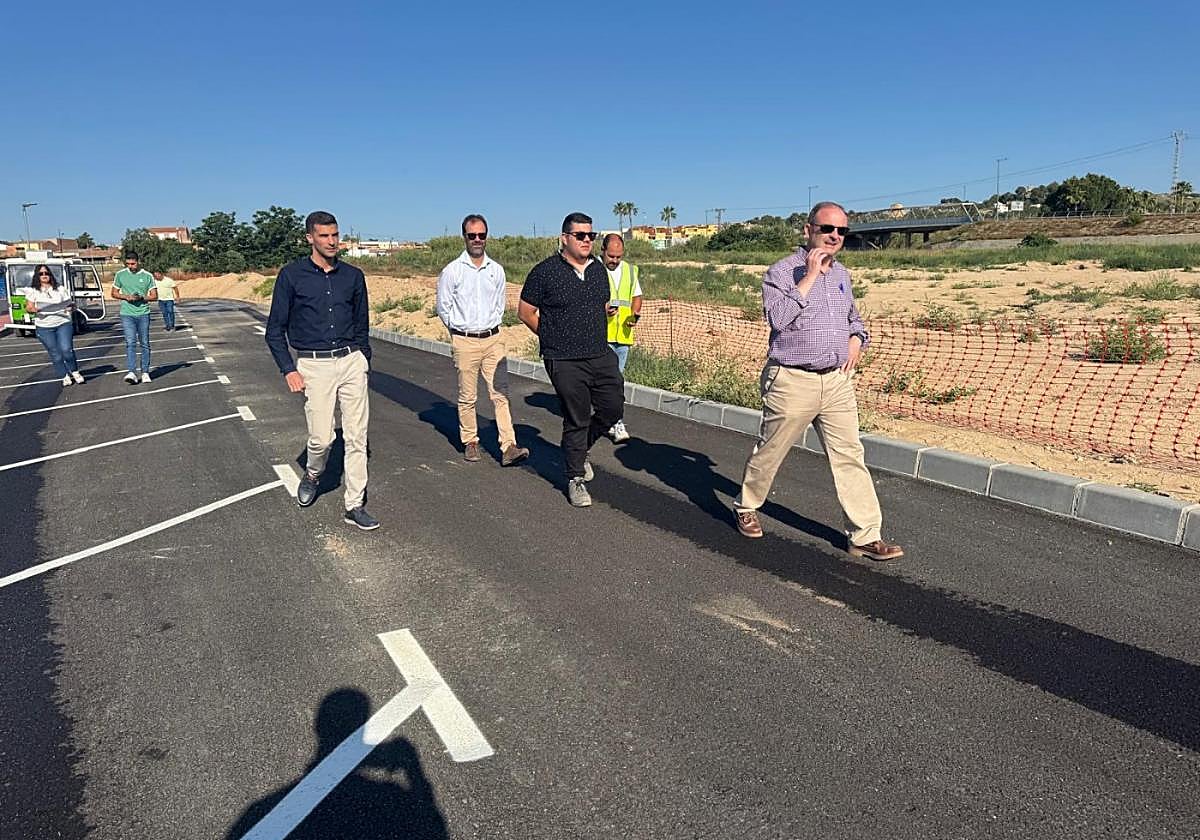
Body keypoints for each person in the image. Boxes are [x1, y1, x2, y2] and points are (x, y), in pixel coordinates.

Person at [732, 201, 903, 561]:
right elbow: (778, 319)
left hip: (837, 380)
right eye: (828, 229)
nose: (835, 236)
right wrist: (809, 276)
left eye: (842, 231)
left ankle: (865, 535)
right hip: (792, 379)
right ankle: (746, 504)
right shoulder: (780, 272)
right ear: (808, 230)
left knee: (850, 456)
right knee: (771, 449)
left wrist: (857, 338)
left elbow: (854, 319)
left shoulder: (842, 275)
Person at [266, 210, 379, 531]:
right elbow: (275, 330)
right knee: (322, 438)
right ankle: (314, 473)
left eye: (335, 235)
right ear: (310, 238)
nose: (332, 242)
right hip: (313, 365)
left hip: (351, 361)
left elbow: (362, 323)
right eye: (325, 236)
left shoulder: (353, 276)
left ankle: (354, 504)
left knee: (357, 437)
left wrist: (363, 359)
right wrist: (288, 369)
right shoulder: (291, 276)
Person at [518, 212, 624, 507]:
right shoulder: (544, 272)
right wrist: (552, 338)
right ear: (565, 238)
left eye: (591, 235)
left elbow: (599, 306)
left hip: (600, 353)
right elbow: (525, 313)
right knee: (576, 415)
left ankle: (576, 449)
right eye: (581, 235)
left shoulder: (599, 271)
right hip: (563, 359)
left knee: (613, 407)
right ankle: (575, 476)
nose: (587, 240)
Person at [436, 214, 529, 467]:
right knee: (468, 396)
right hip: (465, 341)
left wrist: (493, 330)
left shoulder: (496, 270)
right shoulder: (452, 271)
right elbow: (444, 307)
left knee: (500, 394)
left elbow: (499, 303)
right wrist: (458, 333)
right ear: (464, 237)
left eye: (481, 235)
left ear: (487, 236)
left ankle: (508, 445)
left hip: (493, 339)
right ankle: (471, 441)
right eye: (472, 235)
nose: (477, 240)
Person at [600, 233, 642, 443]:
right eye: (611, 256)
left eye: (618, 256)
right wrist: (602, 310)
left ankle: (614, 421)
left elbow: (636, 297)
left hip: (623, 336)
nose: (615, 261)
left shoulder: (630, 271)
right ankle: (607, 419)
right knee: (604, 382)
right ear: (602, 251)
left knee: (616, 380)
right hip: (600, 336)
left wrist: (634, 315)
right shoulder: (593, 270)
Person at [24, 265, 84, 386]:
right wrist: (35, 309)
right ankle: (64, 375)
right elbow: (29, 307)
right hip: (44, 325)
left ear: (50, 274)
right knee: (55, 353)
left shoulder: (60, 289)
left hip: (63, 322)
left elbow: (71, 304)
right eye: (41, 274)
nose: (44, 275)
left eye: (46, 273)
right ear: (37, 276)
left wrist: (71, 307)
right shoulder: (33, 291)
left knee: (67, 350)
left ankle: (75, 371)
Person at [111, 252, 158, 384]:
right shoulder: (120, 275)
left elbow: (154, 295)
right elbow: (114, 293)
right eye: (128, 264)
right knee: (130, 343)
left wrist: (142, 298)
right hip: (127, 314)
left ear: (138, 261)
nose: (131, 266)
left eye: (133, 263)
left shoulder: (147, 276)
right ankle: (132, 371)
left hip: (143, 313)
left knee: (144, 343)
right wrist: (126, 297)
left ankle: (145, 372)